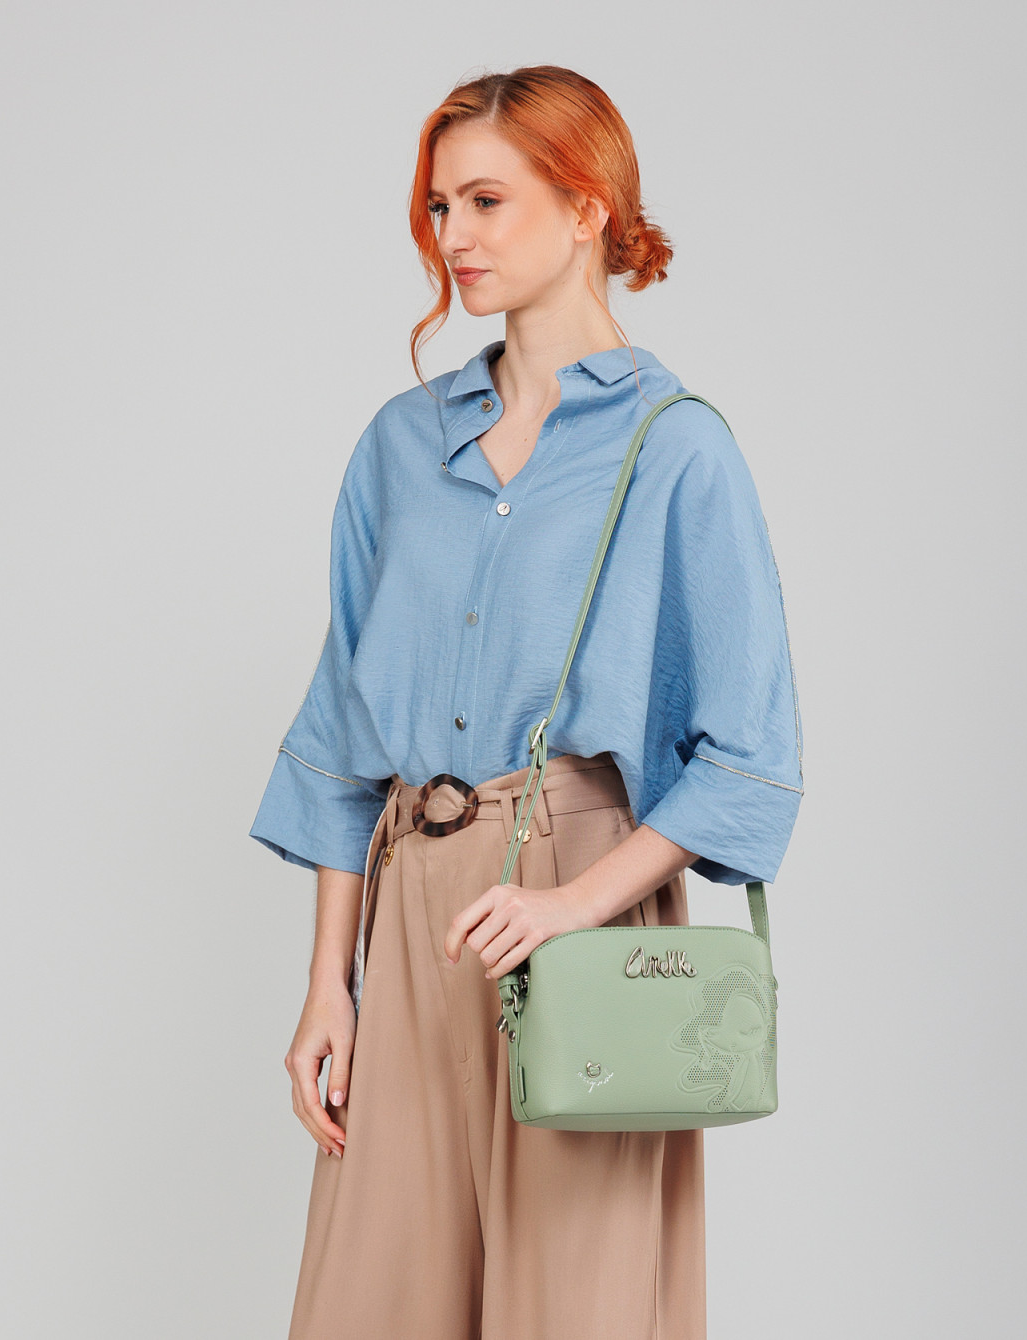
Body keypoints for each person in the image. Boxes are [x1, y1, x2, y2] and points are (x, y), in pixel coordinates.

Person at [249, 63, 804, 1340]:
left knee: (577, 1308)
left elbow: (748, 752)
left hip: (580, 903)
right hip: (410, 909)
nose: (456, 236)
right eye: (441, 206)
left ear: (589, 203)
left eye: (488, 200)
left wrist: (571, 902)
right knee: (373, 1305)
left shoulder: (675, 447)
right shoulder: (402, 445)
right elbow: (343, 732)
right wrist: (330, 981)